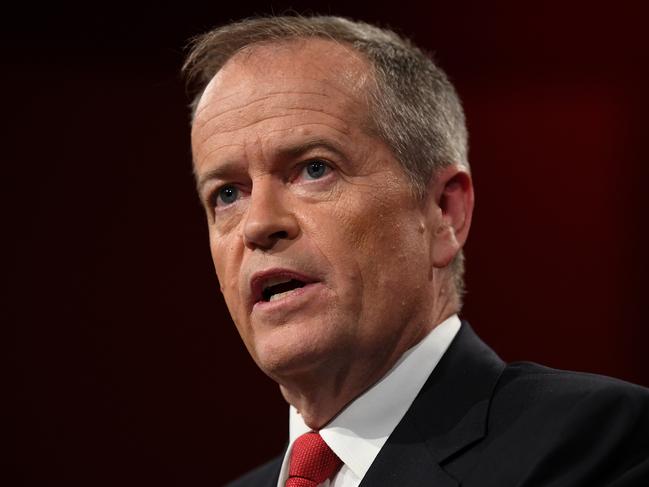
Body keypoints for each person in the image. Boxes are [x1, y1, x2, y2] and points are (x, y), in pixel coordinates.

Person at [183, 15, 649, 487]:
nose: (259, 225)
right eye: (227, 194)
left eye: (314, 169)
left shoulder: (594, 444)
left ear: (444, 213)